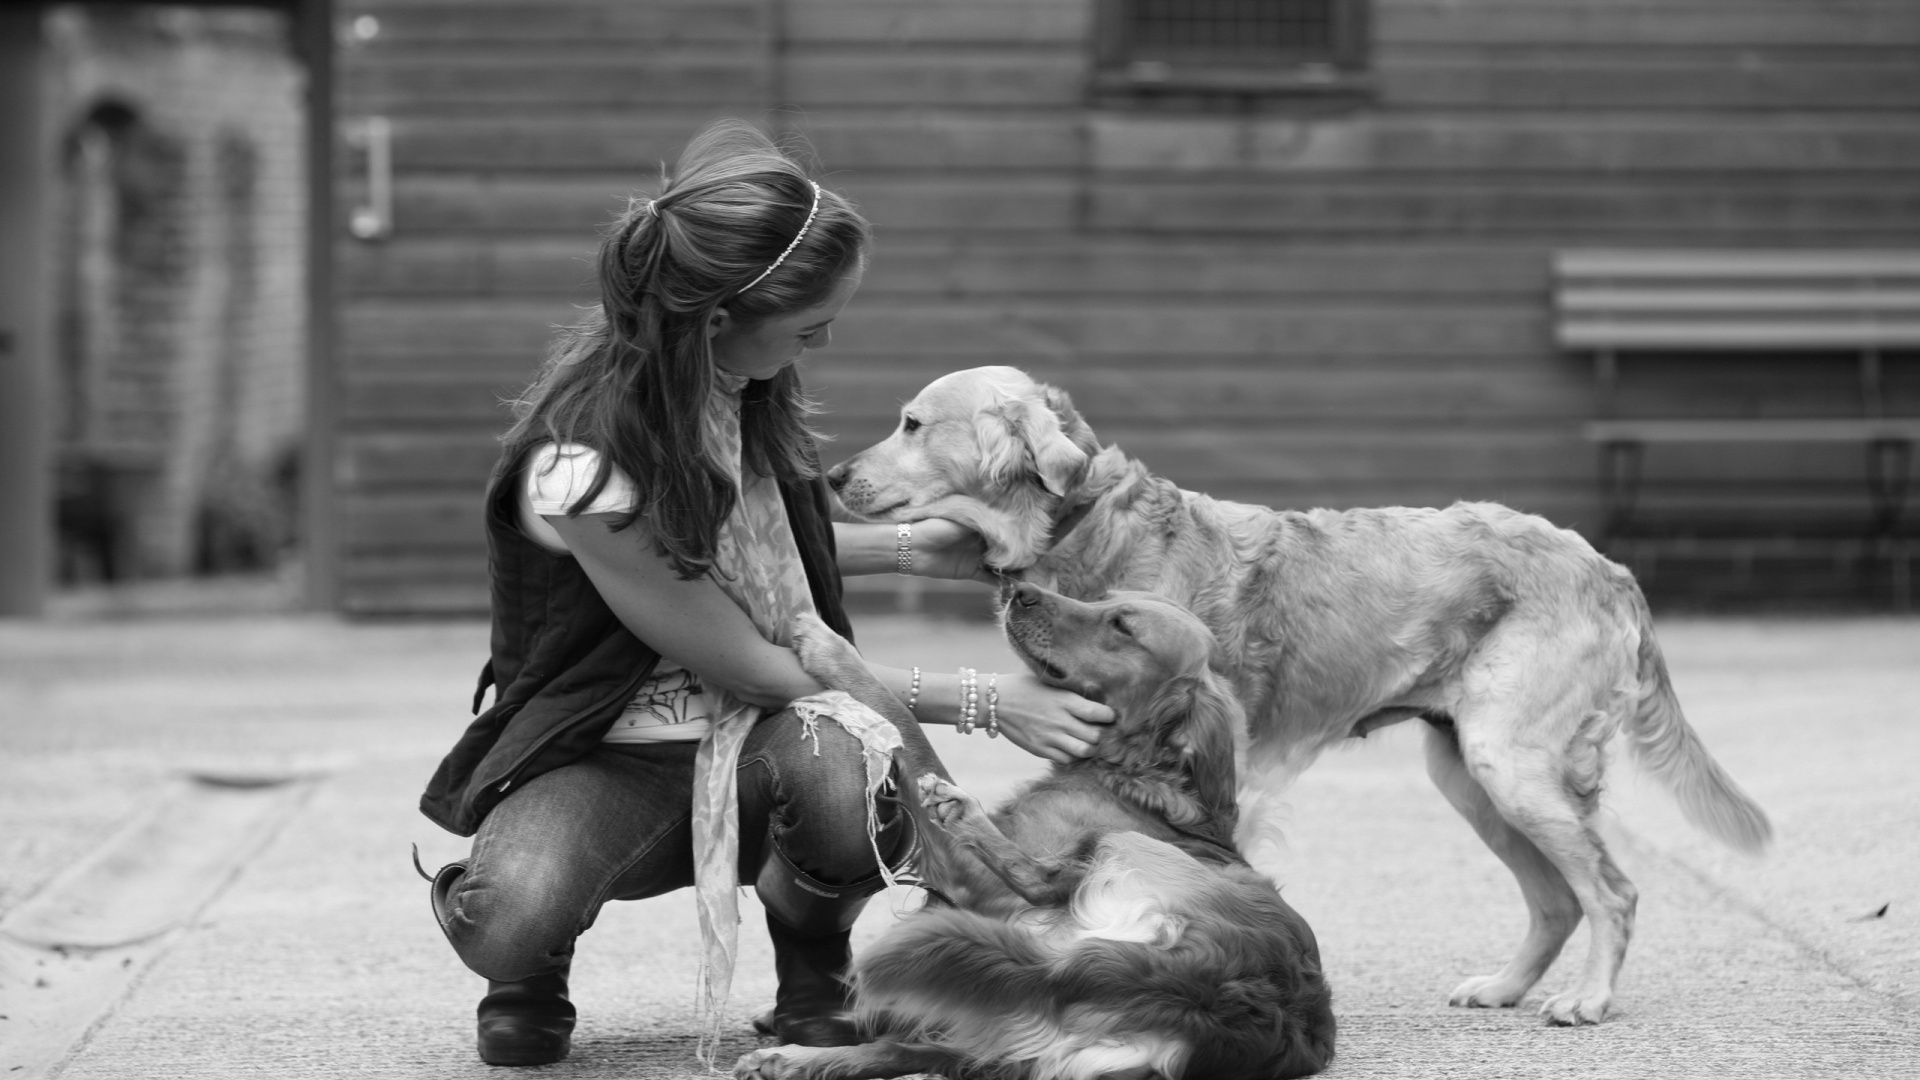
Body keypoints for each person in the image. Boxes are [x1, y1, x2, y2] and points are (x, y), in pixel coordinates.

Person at [415, 120, 1114, 1068]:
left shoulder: (736, 389)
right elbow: (753, 660)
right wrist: (983, 700)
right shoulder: (578, 469)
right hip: (603, 759)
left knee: (842, 777)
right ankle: (528, 964)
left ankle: (813, 960)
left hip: (761, 748)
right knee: (511, 913)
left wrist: (920, 549)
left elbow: (750, 564)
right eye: (809, 325)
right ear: (714, 320)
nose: (823, 340)